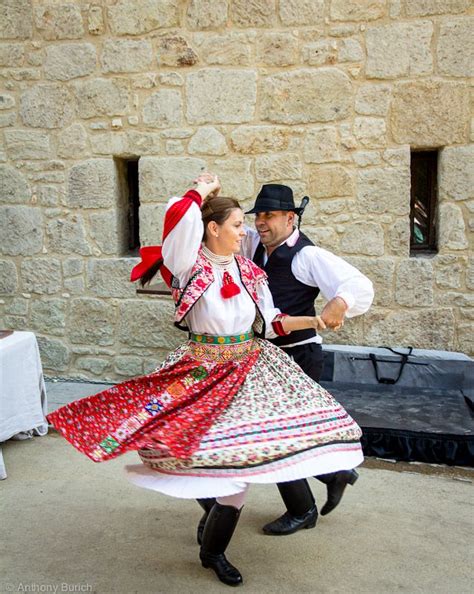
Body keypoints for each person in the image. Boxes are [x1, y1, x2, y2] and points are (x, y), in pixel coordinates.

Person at [47, 176, 364, 587]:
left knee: (237, 469)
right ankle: (214, 534)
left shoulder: (250, 272)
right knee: (190, 451)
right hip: (200, 372)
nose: (245, 232)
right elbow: (178, 220)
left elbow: (271, 323)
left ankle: (214, 546)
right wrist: (200, 191)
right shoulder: (187, 266)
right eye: (237, 225)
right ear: (213, 229)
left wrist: (315, 319)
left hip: (250, 369)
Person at [240, 182, 374, 536]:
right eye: (258, 216)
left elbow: (358, 285)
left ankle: (303, 509)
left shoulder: (307, 256)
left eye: (269, 216)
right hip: (266, 357)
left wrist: (340, 303)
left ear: (290, 217)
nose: (261, 223)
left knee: (277, 436)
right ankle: (334, 474)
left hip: (299, 356)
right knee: (277, 434)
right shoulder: (255, 244)